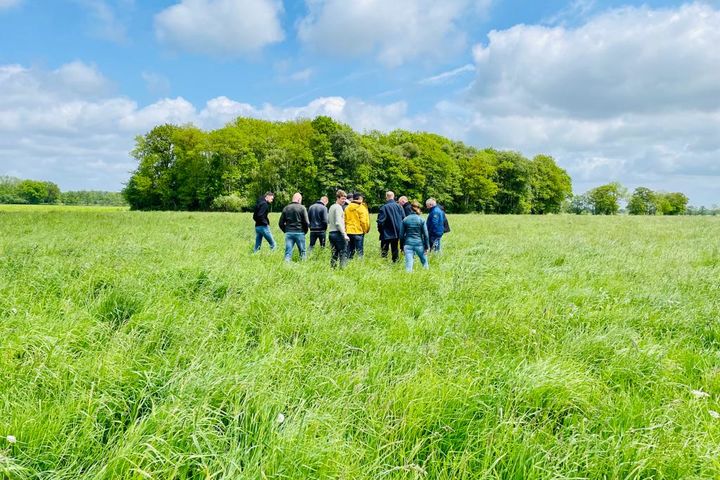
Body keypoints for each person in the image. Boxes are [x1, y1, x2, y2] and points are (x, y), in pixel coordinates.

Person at [278, 192, 310, 262]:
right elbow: (307, 222)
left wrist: (286, 230)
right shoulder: (302, 208)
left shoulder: (286, 208)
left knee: (288, 253)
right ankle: (303, 267)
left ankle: (286, 268)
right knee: (302, 253)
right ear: (299, 199)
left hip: (289, 233)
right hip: (300, 232)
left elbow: (280, 223)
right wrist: (305, 231)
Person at [399, 201, 430, 272]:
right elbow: (426, 235)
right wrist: (427, 247)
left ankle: (408, 281)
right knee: (425, 263)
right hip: (419, 244)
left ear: (410, 209)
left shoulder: (405, 219)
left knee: (409, 265)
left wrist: (401, 247)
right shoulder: (421, 220)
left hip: (408, 244)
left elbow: (401, 235)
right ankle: (427, 277)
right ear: (418, 208)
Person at [377, 190, 405, 263]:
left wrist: (380, 231)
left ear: (386, 197)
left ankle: (383, 263)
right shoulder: (400, 207)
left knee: (384, 250)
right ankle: (395, 263)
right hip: (397, 232)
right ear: (393, 196)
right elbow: (404, 219)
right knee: (395, 249)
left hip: (386, 232)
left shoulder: (384, 207)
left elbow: (380, 221)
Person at [327, 190, 350, 268]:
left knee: (334, 253)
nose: (344, 201)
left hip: (331, 233)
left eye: (345, 199)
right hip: (338, 233)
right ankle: (343, 270)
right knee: (343, 252)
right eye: (342, 199)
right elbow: (338, 222)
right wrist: (344, 234)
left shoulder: (331, 207)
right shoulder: (338, 207)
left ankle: (332, 268)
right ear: (337, 198)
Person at [344, 192, 370, 259]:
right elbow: (364, 222)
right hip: (358, 232)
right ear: (360, 198)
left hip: (349, 232)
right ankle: (360, 266)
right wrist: (365, 230)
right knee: (359, 252)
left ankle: (348, 265)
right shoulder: (361, 207)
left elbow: (344, 220)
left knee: (349, 252)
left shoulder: (347, 208)